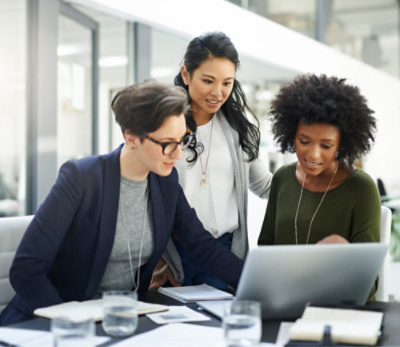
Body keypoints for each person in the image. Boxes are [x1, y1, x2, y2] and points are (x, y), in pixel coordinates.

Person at [0, 80, 243, 326]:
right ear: (132, 137)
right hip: (54, 323)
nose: (178, 154)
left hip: (121, 320)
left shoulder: (165, 182)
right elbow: (26, 270)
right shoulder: (82, 178)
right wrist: (71, 324)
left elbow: (200, 245)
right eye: (167, 144)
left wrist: (252, 280)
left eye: (182, 141)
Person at [151, 32, 271, 291]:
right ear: (186, 75)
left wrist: (315, 176)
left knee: (220, 328)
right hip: (173, 255)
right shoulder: (162, 126)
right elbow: (144, 195)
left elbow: (265, 185)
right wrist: (158, 258)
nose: (218, 92)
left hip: (224, 252)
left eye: (227, 83)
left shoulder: (239, 130)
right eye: (208, 81)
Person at [258, 74, 380, 247]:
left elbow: (367, 269)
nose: (313, 155)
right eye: (304, 141)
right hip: (281, 275)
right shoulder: (282, 178)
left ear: (341, 144)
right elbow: (265, 246)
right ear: (292, 135)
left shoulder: (361, 188)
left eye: (326, 145)